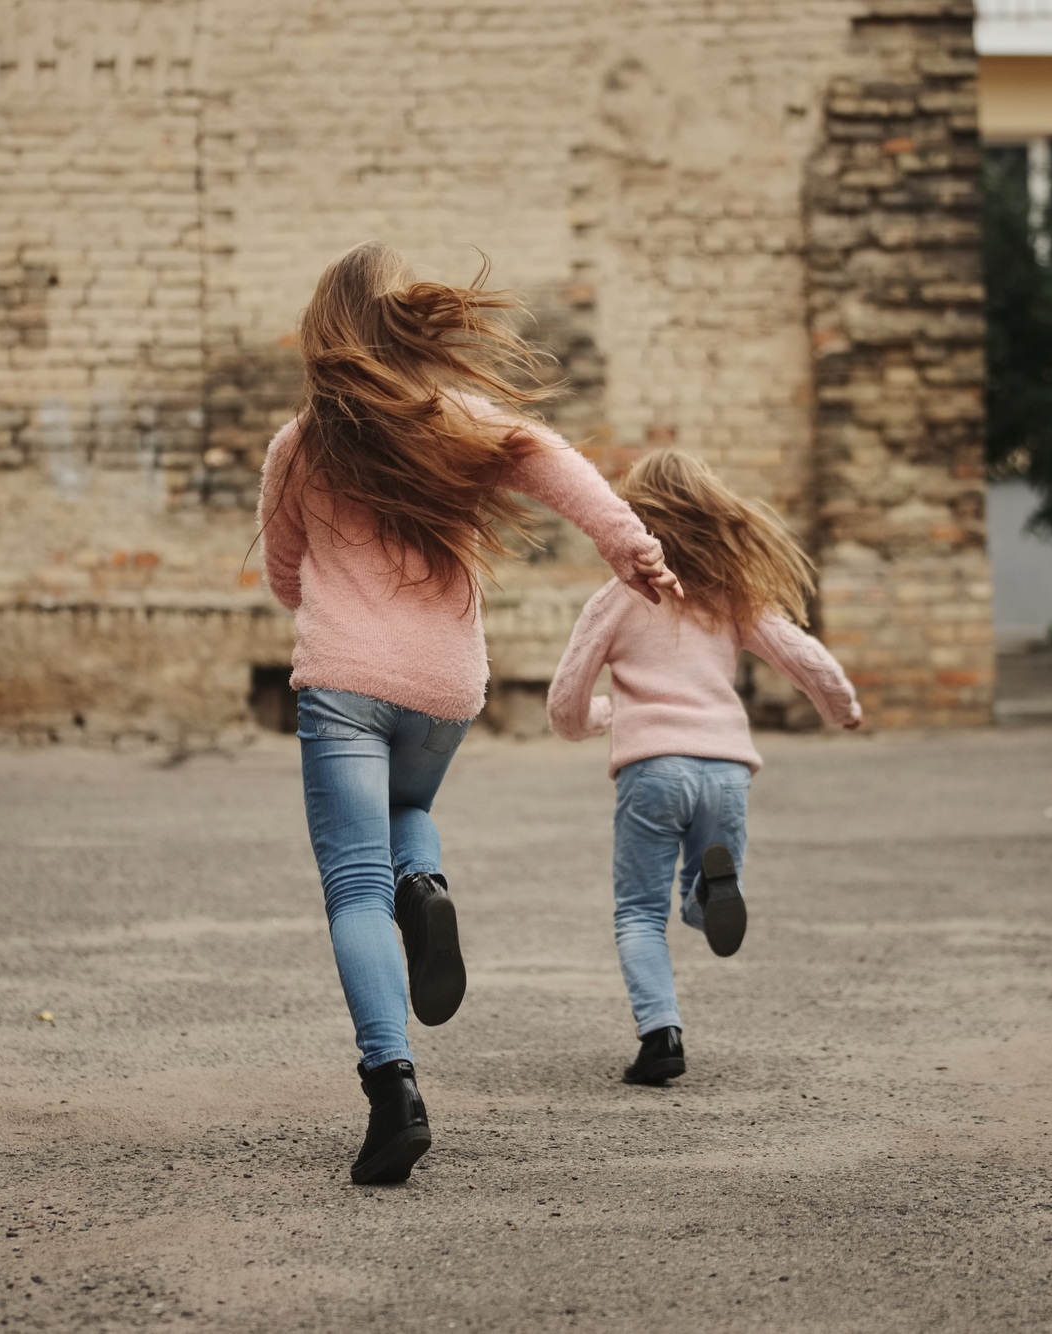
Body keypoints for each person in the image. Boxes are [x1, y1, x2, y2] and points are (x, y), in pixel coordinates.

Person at [257, 241, 683, 1184]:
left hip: (344, 686)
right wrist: (629, 545)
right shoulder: (453, 419)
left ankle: (394, 1092)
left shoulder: (298, 446)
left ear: (325, 331)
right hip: (445, 687)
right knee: (408, 811)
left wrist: (330, 582)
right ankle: (425, 884)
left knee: (353, 887)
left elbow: (286, 577)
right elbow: (547, 455)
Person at [546, 450, 861, 1086]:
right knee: (706, 894)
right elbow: (802, 656)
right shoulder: (733, 597)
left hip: (653, 769)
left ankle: (661, 1037)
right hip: (727, 770)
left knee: (639, 912)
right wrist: (842, 707)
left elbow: (565, 701)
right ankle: (710, 893)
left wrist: (600, 718)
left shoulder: (618, 598)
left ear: (637, 520)